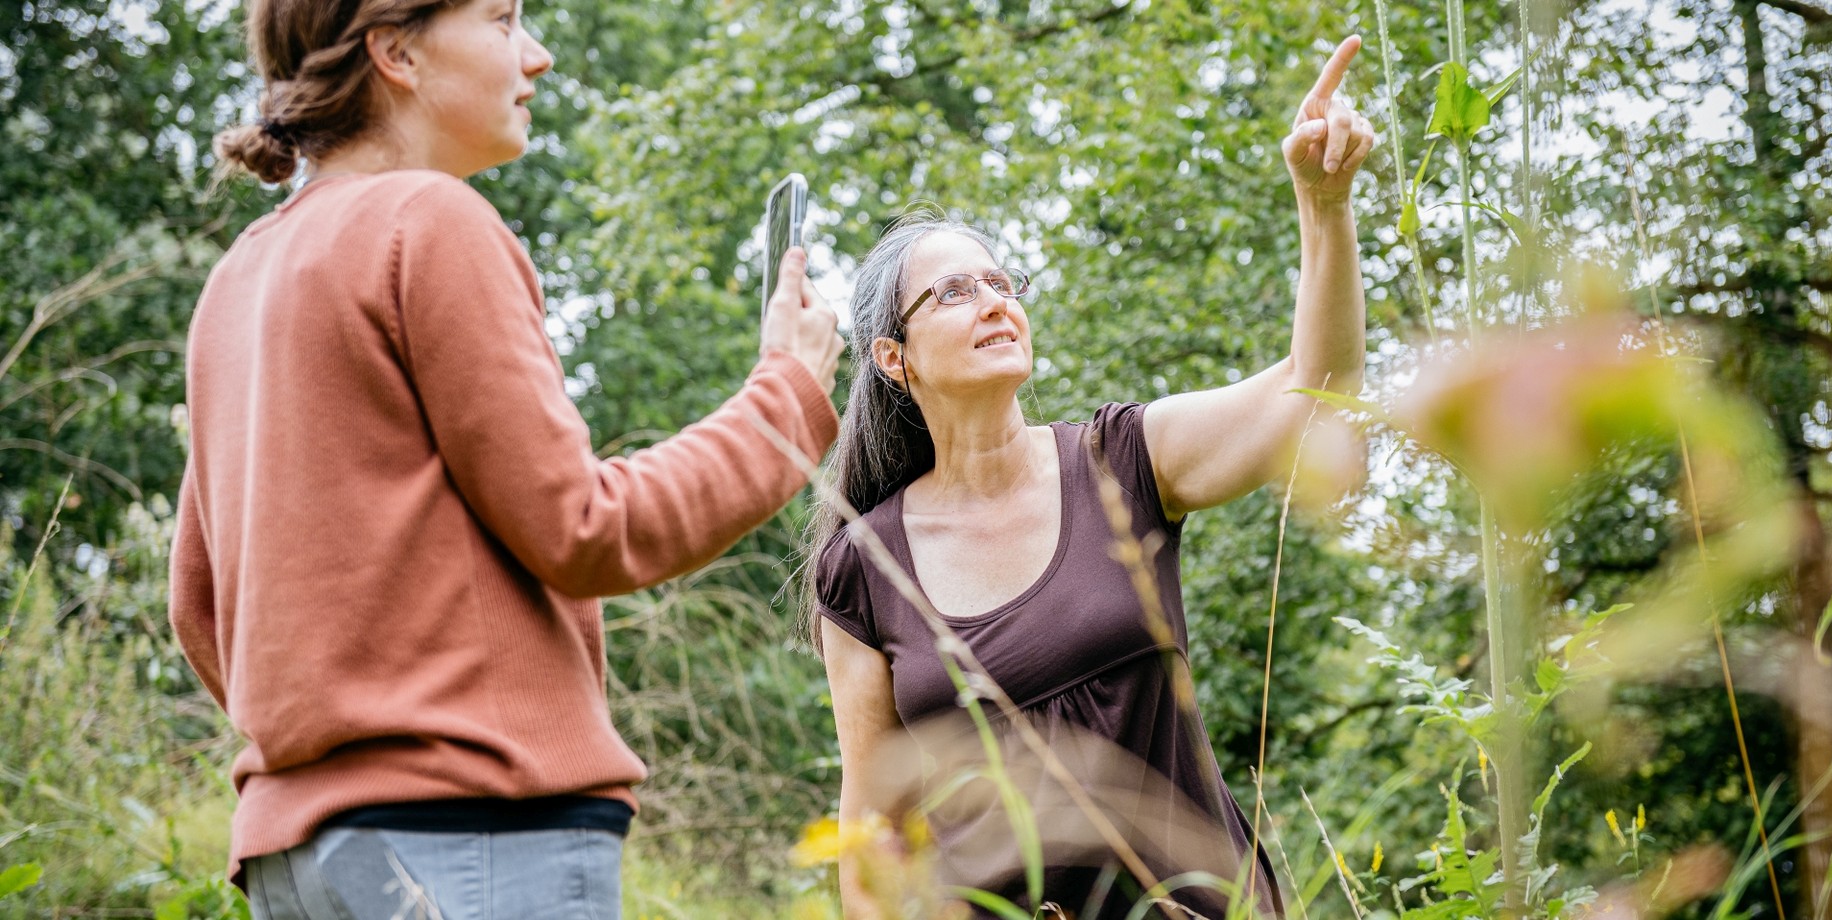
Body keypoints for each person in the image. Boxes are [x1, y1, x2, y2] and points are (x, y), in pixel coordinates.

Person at [165, 0, 846, 913]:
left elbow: (199, 608)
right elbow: (587, 529)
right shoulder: (431, 221)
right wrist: (787, 395)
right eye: (503, 19)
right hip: (474, 838)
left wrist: (336, 733)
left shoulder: (240, 274)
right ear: (395, 51)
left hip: (301, 857)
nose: (539, 55)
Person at [800, 37, 1374, 919]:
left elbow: (1316, 390)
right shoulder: (865, 567)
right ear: (892, 358)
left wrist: (1324, 205)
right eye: (953, 293)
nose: (995, 299)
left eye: (1001, 281)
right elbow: (874, 827)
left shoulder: (1123, 462)